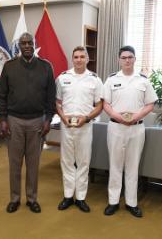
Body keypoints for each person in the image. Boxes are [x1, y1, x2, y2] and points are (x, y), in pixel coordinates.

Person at [0, 32, 56, 213]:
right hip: (14, 121)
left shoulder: (46, 67)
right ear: (19, 46)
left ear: (34, 44)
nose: (27, 46)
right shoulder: (9, 66)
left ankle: (32, 198)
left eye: (30, 43)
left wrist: (48, 119)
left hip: (37, 121)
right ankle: (15, 198)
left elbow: (50, 97)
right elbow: (2, 95)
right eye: (23, 43)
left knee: (33, 163)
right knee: (15, 163)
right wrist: (3, 119)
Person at [103, 45, 158, 218]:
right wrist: (117, 116)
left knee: (133, 167)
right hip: (116, 128)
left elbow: (150, 104)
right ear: (119, 60)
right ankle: (113, 201)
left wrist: (136, 116)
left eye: (130, 57)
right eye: (124, 57)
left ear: (135, 59)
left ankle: (131, 203)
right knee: (115, 165)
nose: (127, 60)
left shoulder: (143, 80)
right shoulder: (111, 79)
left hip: (136, 128)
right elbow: (105, 103)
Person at [55, 46, 103, 213]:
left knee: (83, 162)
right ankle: (68, 196)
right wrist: (63, 117)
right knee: (67, 162)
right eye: (76, 57)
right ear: (72, 59)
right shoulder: (62, 78)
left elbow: (99, 105)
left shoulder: (95, 79)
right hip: (66, 126)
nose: (79, 59)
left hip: (85, 126)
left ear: (87, 59)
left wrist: (87, 118)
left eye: (82, 56)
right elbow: (57, 103)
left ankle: (81, 197)